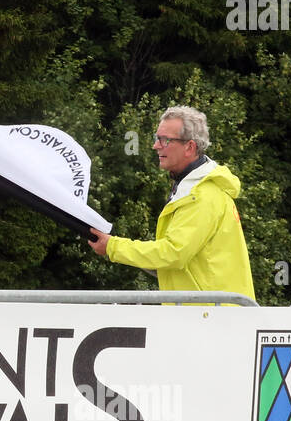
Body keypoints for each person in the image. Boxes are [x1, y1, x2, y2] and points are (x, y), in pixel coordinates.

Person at [86, 106, 255, 300]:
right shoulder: (196, 188)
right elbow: (171, 261)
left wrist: (112, 247)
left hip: (209, 317)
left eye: (165, 140)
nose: (155, 146)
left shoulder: (201, 196)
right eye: (156, 138)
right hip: (208, 314)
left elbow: (173, 254)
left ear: (190, 147)